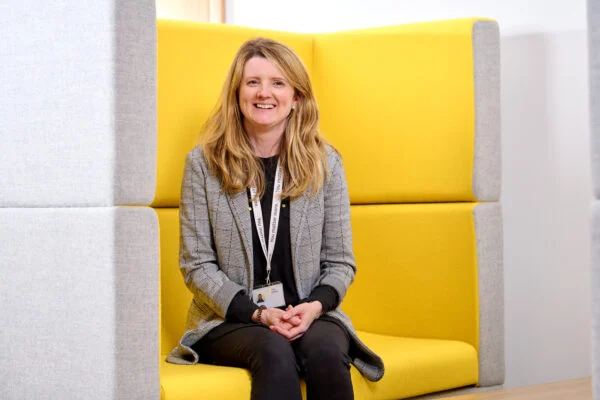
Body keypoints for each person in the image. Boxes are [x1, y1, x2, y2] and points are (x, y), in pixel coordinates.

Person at [166, 37, 384, 400]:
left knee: (327, 352)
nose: (263, 93)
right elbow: (196, 266)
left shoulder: (326, 164)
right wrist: (259, 315)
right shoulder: (203, 165)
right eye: (252, 82)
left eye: (278, 83)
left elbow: (340, 263)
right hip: (231, 320)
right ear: (237, 93)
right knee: (274, 351)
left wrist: (312, 308)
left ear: (296, 97)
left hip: (309, 312)